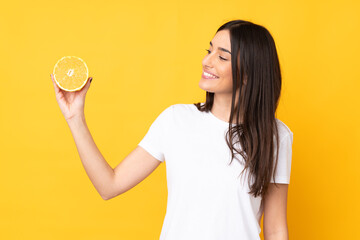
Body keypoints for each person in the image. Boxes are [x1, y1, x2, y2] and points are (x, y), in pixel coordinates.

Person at [51, 19, 293, 240]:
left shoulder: (277, 137)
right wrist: (75, 118)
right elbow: (109, 186)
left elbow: (275, 229)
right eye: (209, 51)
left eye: (222, 57)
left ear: (249, 74)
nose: (206, 61)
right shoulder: (176, 120)